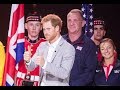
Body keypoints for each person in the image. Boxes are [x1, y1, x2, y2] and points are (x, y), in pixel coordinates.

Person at [24, 14, 75, 86]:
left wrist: (45, 64)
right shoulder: (42, 46)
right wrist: (28, 61)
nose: (45, 32)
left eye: (48, 29)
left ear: (57, 28)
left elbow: (64, 73)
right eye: (44, 29)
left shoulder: (68, 48)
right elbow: (31, 67)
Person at [63, 9, 97, 86]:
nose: (71, 23)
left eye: (75, 20)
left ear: (83, 23)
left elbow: (89, 73)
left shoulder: (89, 45)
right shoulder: (60, 41)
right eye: (69, 20)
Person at [15, 11, 46, 86]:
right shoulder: (18, 42)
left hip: (38, 83)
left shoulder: (46, 44)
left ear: (41, 27)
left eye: (37, 25)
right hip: (19, 82)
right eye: (31, 24)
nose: (34, 28)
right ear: (26, 26)